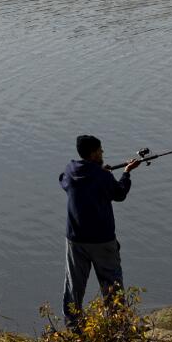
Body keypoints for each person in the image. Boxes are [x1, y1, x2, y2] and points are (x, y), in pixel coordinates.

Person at [60, 134, 143, 319]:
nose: (102, 152)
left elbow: (63, 180)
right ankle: (115, 326)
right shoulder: (103, 177)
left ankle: (73, 328)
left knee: (74, 286)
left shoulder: (71, 171)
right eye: (100, 150)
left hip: (76, 241)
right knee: (112, 285)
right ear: (93, 154)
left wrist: (98, 172)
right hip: (102, 241)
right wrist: (127, 172)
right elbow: (120, 193)